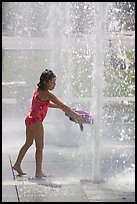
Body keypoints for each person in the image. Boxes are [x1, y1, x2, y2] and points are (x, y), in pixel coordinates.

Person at [12, 69, 84, 178]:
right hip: (36, 122)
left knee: (28, 143)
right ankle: (38, 172)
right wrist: (77, 115)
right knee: (39, 147)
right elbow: (63, 105)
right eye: (53, 81)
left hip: (29, 119)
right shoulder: (48, 94)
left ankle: (17, 164)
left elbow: (45, 104)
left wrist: (59, 108)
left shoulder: (38, 91)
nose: (55, 84)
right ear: (46, 82)